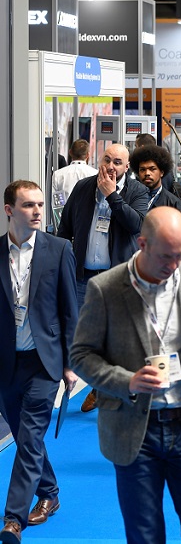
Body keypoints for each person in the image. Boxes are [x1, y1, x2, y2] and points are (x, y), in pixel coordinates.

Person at [70, 207, 181, 544]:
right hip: (134, 430)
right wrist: (126, 381)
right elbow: (81, 355)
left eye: (180, 255)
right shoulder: (106, 289)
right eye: (165, 256)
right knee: (144, 536)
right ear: (142, 244)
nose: (174, 265)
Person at [0, 181, 78, 543]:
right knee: (23, 436)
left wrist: (70, 362)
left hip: (44, 362)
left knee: (30, 437)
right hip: (6, 364)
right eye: (28, 205)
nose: (37, 211)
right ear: (9, 210)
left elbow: (70, 310)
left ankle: (13, 519)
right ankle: (49, 491)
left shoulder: (59, 249)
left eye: (40, 204)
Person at [57, 143, 150, 413]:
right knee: (83, 337)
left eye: (117, 162)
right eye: (107, 160)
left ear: (126, 167)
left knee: (118, 337)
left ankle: (104, 388)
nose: (110, 166)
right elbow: (65, 228)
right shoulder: (83, 187)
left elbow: (136, 225)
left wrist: (112, 196)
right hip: (82, 278)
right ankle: (99, 382)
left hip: (117, 279)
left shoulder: (136, 191)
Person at [129, 145, 181, 216]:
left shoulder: (174, 204)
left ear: (161, 172)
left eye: (152, 169)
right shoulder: (130, 199)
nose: (147, 173)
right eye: (142, 170)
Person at [51, 139, 97, 204]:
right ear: (87, 155)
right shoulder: (95, 174)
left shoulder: (58, 175)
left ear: (70, 152)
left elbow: (57, 203)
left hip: (65, 210)